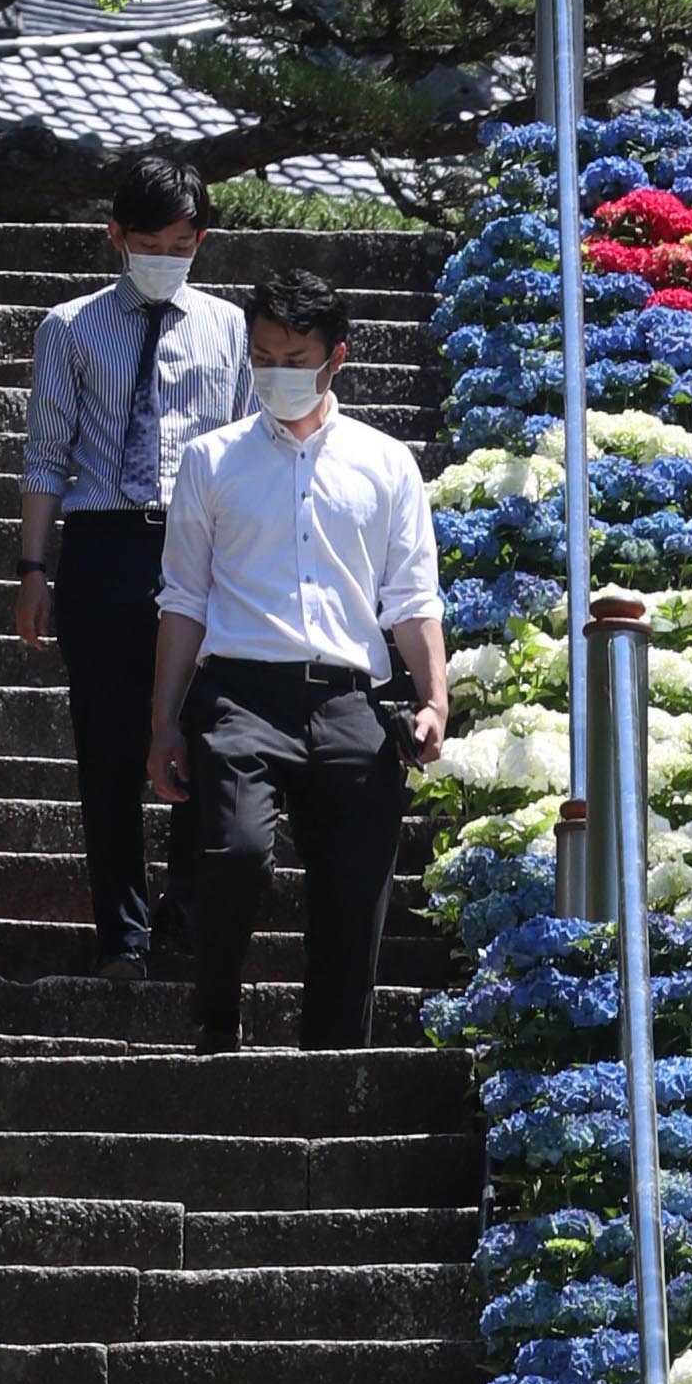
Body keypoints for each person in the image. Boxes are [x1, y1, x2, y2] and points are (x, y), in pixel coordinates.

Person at [148, 266, 448, 1052]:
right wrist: (163, 725)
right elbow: (182, 598)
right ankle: (215, 1016)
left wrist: (433, 699)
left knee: (355, 897)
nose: (276, 372)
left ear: (335, 358)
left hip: (350, 698)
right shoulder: (211, 462)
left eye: (295, 355)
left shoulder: (386, 464)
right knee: (235, 851)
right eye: (264, 356)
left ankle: (332, 1062)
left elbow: (413, 598)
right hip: (240, 694)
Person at [18, 148, 250, 989]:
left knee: (205, 728)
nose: (166, 255)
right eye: (149, 239)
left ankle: (187, 907)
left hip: (203, 545)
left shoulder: (229, 328)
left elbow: (250, 447)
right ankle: (122, 931)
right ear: (115, 235)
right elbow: (47, 455)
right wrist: (34, 567)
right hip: (105, 541)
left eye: (183, 241)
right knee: (107, 744)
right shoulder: (70, 327)